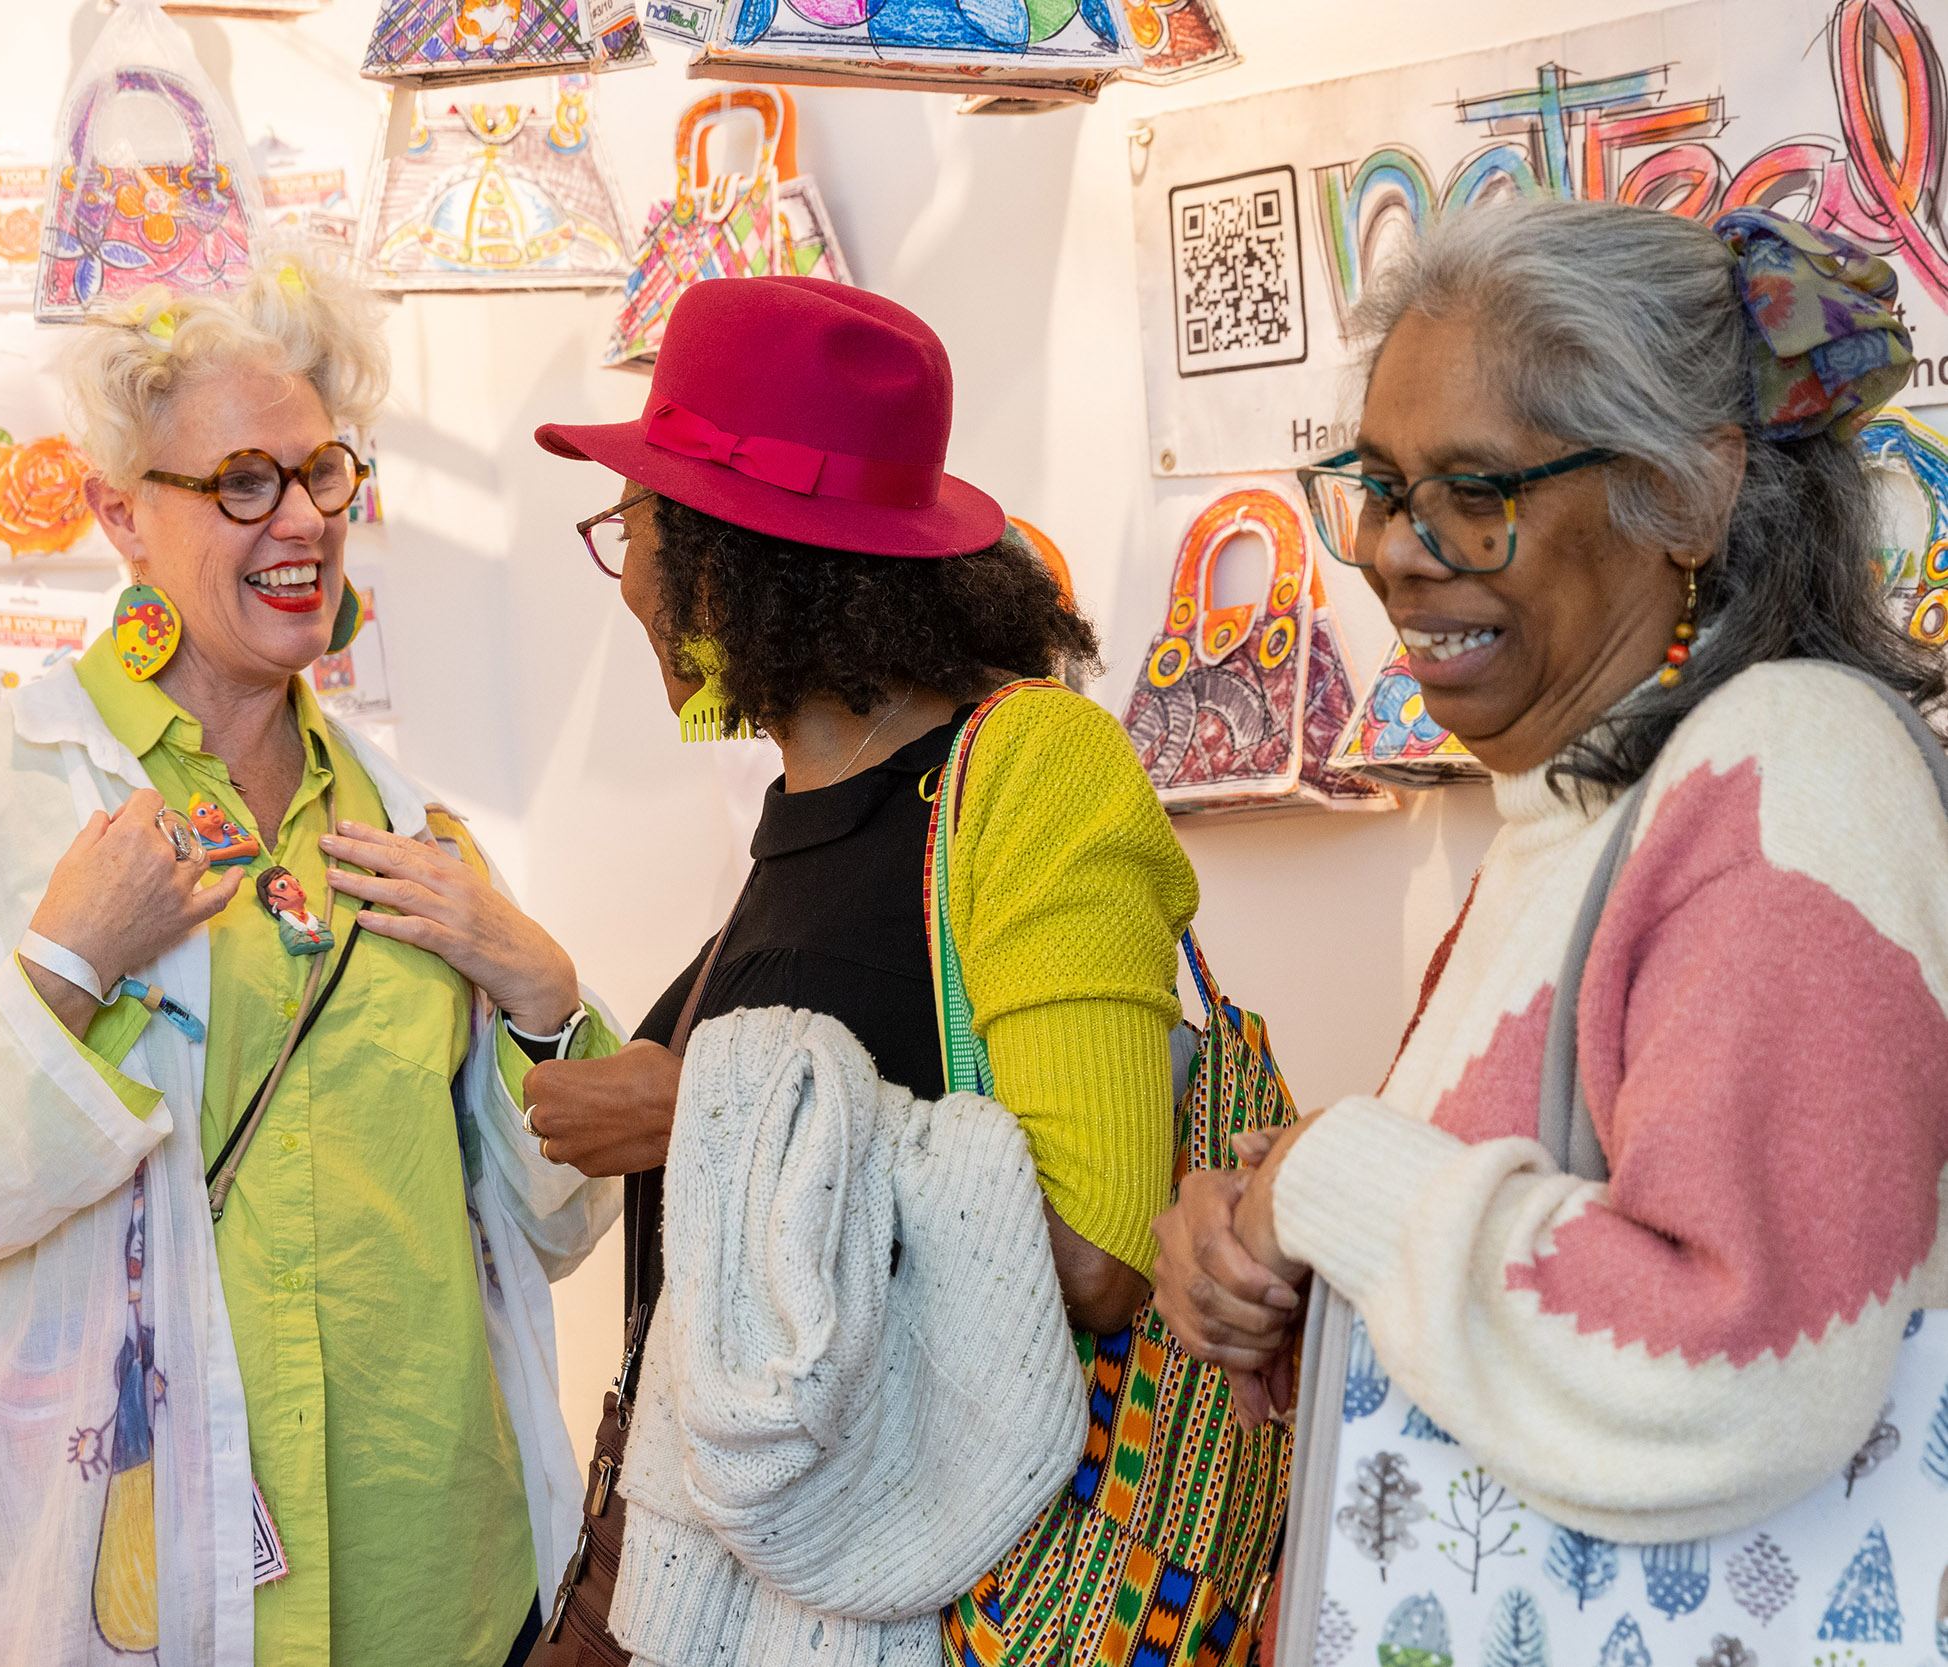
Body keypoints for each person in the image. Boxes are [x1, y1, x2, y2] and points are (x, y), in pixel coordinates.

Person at [0, 259, 624, 1667]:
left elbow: (548, 1228)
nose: (301, 520)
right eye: (243, 481)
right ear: (121, 514)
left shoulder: (410, 830)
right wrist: (66, 961)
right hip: (144, 1597)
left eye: (322, 473)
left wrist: (546, 992)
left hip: (433, 1582)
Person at [1153, 200, 1948, 1540]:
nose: (1394, 551)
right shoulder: (1580, 817)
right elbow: (1507, 1332)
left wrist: (1330, 1180)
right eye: (1384, 487)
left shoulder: (1790, 772)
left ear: (1687, 495)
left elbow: (1738, 1384)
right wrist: (1264, 1253)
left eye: (1477, 493)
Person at [519, 275, 1207, 1661]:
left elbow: (1097, 1258)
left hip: (952, 1586)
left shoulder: (1033, 768)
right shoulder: (806, 817)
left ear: (733, 557)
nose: (631, 580)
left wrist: (697, 1113)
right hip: (777, 1584)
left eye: (634, 529)